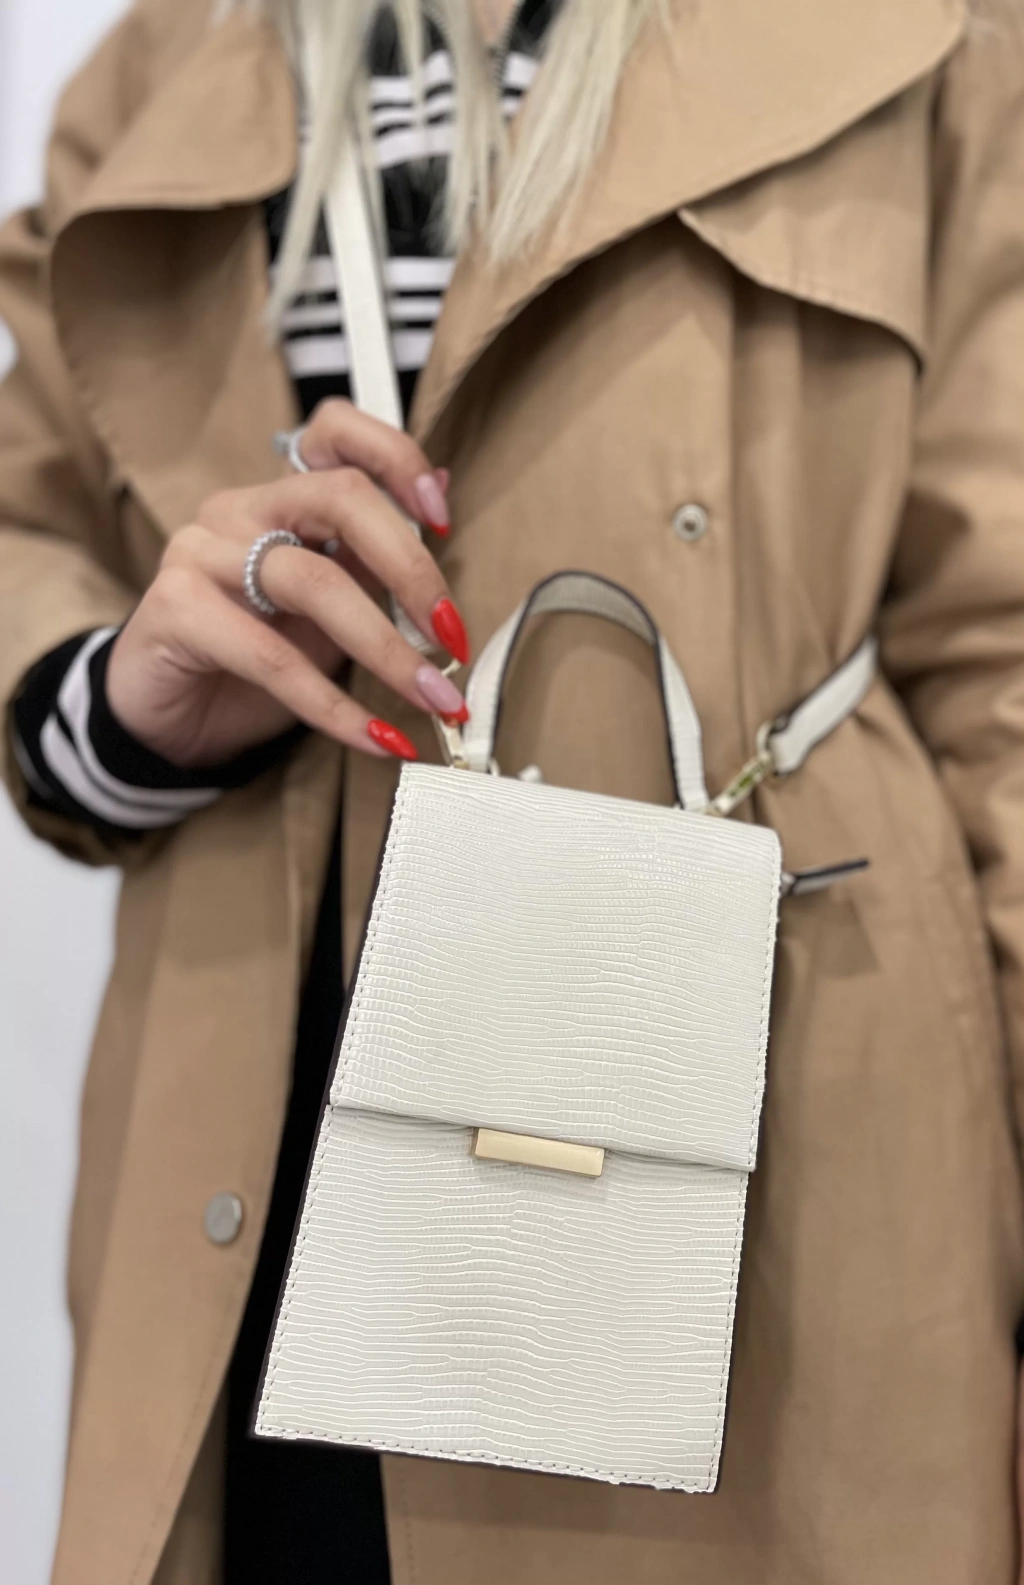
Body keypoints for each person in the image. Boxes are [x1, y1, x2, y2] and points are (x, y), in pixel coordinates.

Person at [3, 0, 1024, 1580]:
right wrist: (123, 702)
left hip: (764, 1094)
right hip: (258, 1111)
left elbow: (1003, 651)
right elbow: (34, 518)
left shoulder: (941, 34)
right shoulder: (180, 55)